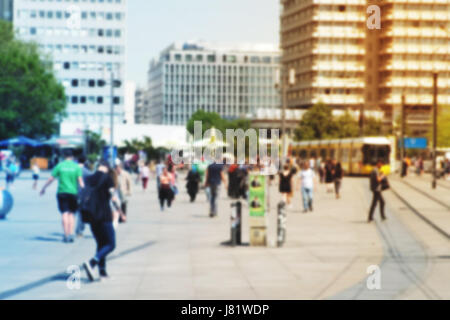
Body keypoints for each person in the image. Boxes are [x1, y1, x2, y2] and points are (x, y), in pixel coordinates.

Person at [82, 160, 121, 281]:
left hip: (91, 216)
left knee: (101, 244)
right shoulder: (107, 178)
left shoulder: (88, 178)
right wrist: (120, 211)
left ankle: (102, 272)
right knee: (111, 244)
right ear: (107, 168)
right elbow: (113, 197)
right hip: (104, 215)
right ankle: (92, 263)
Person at [40, 150, 84, 243]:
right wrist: (84, 192)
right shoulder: (76, 167)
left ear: (64, 156)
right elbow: (80, 182)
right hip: (73, 192)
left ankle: (66, 235)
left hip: (62, 192)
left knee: (64, 213)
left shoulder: (60, 166)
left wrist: (43, 188)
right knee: (71, 214)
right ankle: (71, 234)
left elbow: (51, 178)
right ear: (72, 157)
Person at [76, 156, 93, 238]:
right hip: (82, 194)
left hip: (70, 192)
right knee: (80, 213)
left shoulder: (73, 170)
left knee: (68, 213)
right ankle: (79, 231)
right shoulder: (88, 172)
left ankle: (67, 230)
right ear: (85, 161)